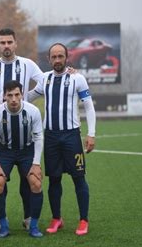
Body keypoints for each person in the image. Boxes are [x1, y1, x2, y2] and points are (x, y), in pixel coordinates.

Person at [26, 42, 96, 236]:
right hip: (51, 136)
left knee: (78, 178)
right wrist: (7, 99)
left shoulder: (77, 78)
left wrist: (91, 133)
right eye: (54, 57)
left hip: (71, 136)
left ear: (67, 58)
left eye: (60, 56)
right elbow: (28, 97)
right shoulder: (45, 79)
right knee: (54, 179)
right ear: (49, 59)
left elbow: (89, 107)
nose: (57, 60)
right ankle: (57, 218)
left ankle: (83, 220)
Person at [0, 28, 45, 232]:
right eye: (3, 42)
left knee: (30, 181)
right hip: (3, 134)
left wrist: (28, 98)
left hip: (25, 136)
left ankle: (29, 217)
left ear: (15, 43)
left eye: (10, 42)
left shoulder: (27, 64)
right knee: (0, 180)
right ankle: (0, 220)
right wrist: (0, 109)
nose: (6, 46)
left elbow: (45, 82)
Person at [0, 80, 44, 238]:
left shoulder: (32, 111)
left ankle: (33, 225)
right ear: (4, 96)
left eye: (17, 95)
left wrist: (36, 163)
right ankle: (3, 225)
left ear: (22, 95)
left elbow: (39, 137)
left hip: (27, 150)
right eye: (10, 95)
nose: (13, 99)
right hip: (5, 151)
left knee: (36, 182)